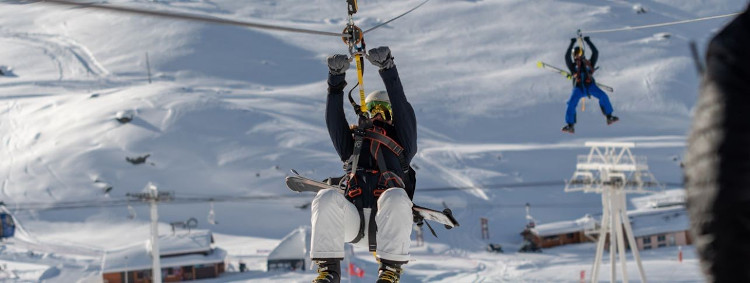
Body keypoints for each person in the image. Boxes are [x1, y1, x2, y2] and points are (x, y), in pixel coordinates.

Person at [311, 46, 418, 283]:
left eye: (384, 110)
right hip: (353, 221)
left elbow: (403, 107)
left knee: (397, 197)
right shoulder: (352, 144)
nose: (378, 114)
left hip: (386, 224)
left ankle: (390, 271)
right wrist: (335, 80)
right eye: (372, 109)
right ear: (365, 113)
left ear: (392, 116)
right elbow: (333, 120)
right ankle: (328, 272)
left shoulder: (403, 145)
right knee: (325, 197)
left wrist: (388, 69)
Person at [562, 36, 618, 134]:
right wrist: (571, 43)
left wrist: (588, 41)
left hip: (590, 86)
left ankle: (609, 117)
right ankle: (570, 125)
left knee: (603, 96)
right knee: (571, 103)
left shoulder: (589, 63)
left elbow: (595, 52)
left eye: (580, 53)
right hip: (578, 88)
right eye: (576, 54)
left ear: (583, 54)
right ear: (573, 56)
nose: (578, 55)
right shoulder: (572, 66)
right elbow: (566, 57)